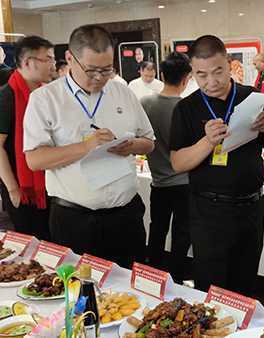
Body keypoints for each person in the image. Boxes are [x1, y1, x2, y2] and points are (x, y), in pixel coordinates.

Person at [23, 24, 155, 268]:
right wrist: (86, 146)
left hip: (126, 215)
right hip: (75, 219)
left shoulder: (121, 91)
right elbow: (35, 160)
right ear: (70, 59)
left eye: (106, 70)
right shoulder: (45, 99)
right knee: (82, 293)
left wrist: (132, 145)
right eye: (92, 70)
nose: (99, 78)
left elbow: (149, 142)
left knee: (132, 292)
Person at [170, 35, 264, 295]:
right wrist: (207, 141)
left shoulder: (252, 98)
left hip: (251, 206)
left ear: (229, 64)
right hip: (209, 212)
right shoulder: (186, 108)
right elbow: (178, 163)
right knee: (211, 286)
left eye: (218, 71)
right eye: (201, 75)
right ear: (192, 72)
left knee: (246, 282)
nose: (211, 81)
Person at [141, 52, 192, 284]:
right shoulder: (186, 108)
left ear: (161, 75)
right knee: (182, 235)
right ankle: (176, 281)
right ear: (186, 78)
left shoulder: (146, 103)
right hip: (185, 183)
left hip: (158, 182)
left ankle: (152, 279)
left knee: (157, 230)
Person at [0, 36, 55, 240]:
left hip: (49, 180)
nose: (52, 64)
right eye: (47, 59)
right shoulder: (6, 96)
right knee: (31, 240)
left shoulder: (46, 94)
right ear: (28, 62)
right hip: (23, 186)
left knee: (52, 238)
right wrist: (13, 188)